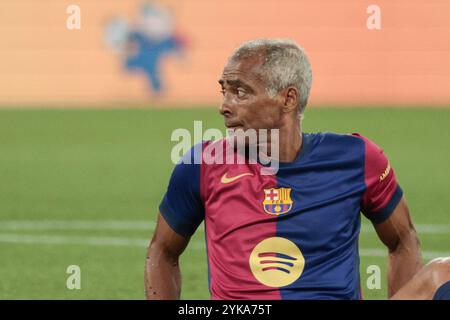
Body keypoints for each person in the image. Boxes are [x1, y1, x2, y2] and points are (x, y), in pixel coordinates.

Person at [145, 39, 450, 299]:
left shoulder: (358, 158)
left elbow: (402, 239)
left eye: (240, 92)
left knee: (443, 273)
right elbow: (162, 250)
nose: (224, 105)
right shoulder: (202, 164)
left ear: (288, 99)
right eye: (223, 90)